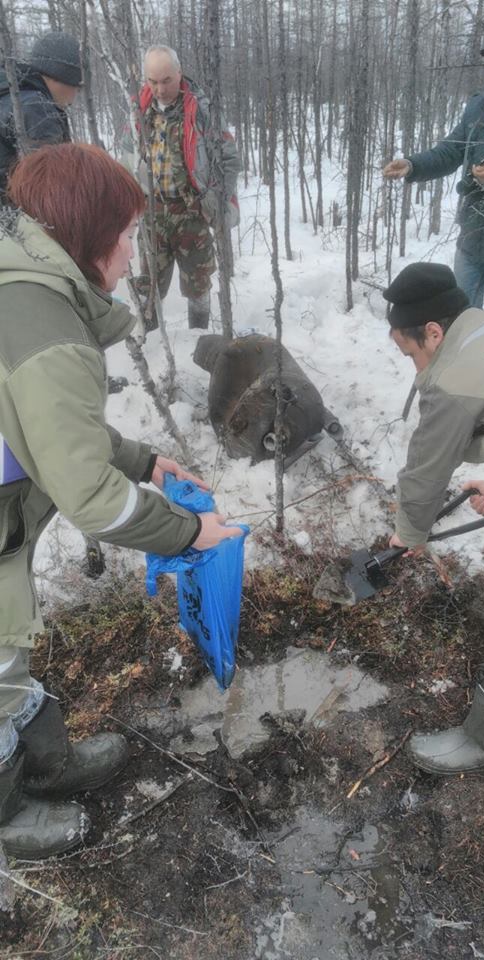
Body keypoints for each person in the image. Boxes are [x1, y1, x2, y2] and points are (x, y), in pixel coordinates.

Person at [0, 143, 243, 860]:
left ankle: (46, 763)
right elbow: (92, 500)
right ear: (90, 235)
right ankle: (8, 818)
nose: (136, 250)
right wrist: (187, 533)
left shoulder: (24, 279)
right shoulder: (46, 329)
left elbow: (48, 425)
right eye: (131, 233)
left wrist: (141, 458)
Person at [383, 261, 484, 777]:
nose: (417, 369)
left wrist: (408, 534)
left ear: (432, 332)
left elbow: (427, 471)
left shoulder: (450, 380)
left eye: (411, 353)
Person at [383, 23, 484, 309]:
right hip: (471, 238)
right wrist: (412, 165)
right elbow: (451, 150)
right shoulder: (480, 105)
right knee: (461, 325)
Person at [125, 45, 240, 331]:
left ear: (179, 73)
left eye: (166, 80)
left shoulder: (202, 110)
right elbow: (127, 160)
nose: (160, 89)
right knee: (149, 286)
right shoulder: (138, 111)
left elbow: (229, 159)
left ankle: (199, 341)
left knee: (198, 285)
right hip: (152, 214)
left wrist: (223, 204)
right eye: (152, 81)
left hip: (192, 212)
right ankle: (149, 343)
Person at [0, 31, 82, 199]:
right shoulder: (36, 108)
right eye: (76, 86)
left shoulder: (14, 94)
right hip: (17, 216)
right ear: (60, 77)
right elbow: (54, 187)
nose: (75, 94)